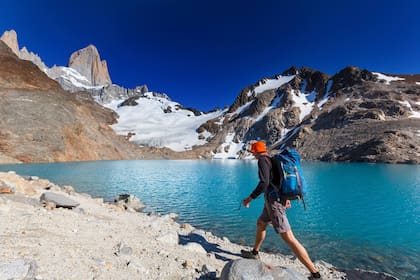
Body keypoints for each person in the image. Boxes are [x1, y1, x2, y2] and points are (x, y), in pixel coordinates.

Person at [241, 141, 321, 279]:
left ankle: (315, 274)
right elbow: (279, 180)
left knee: (289, 238)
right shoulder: (272, 159)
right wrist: (286, 198)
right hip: (274, 200)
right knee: (261, 223)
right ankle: (254, 253)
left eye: (252, 152)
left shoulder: (263, 161)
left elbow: (264, 183)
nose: (252, 155)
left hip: (274, 203)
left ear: (255, 152)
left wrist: (250, 198)